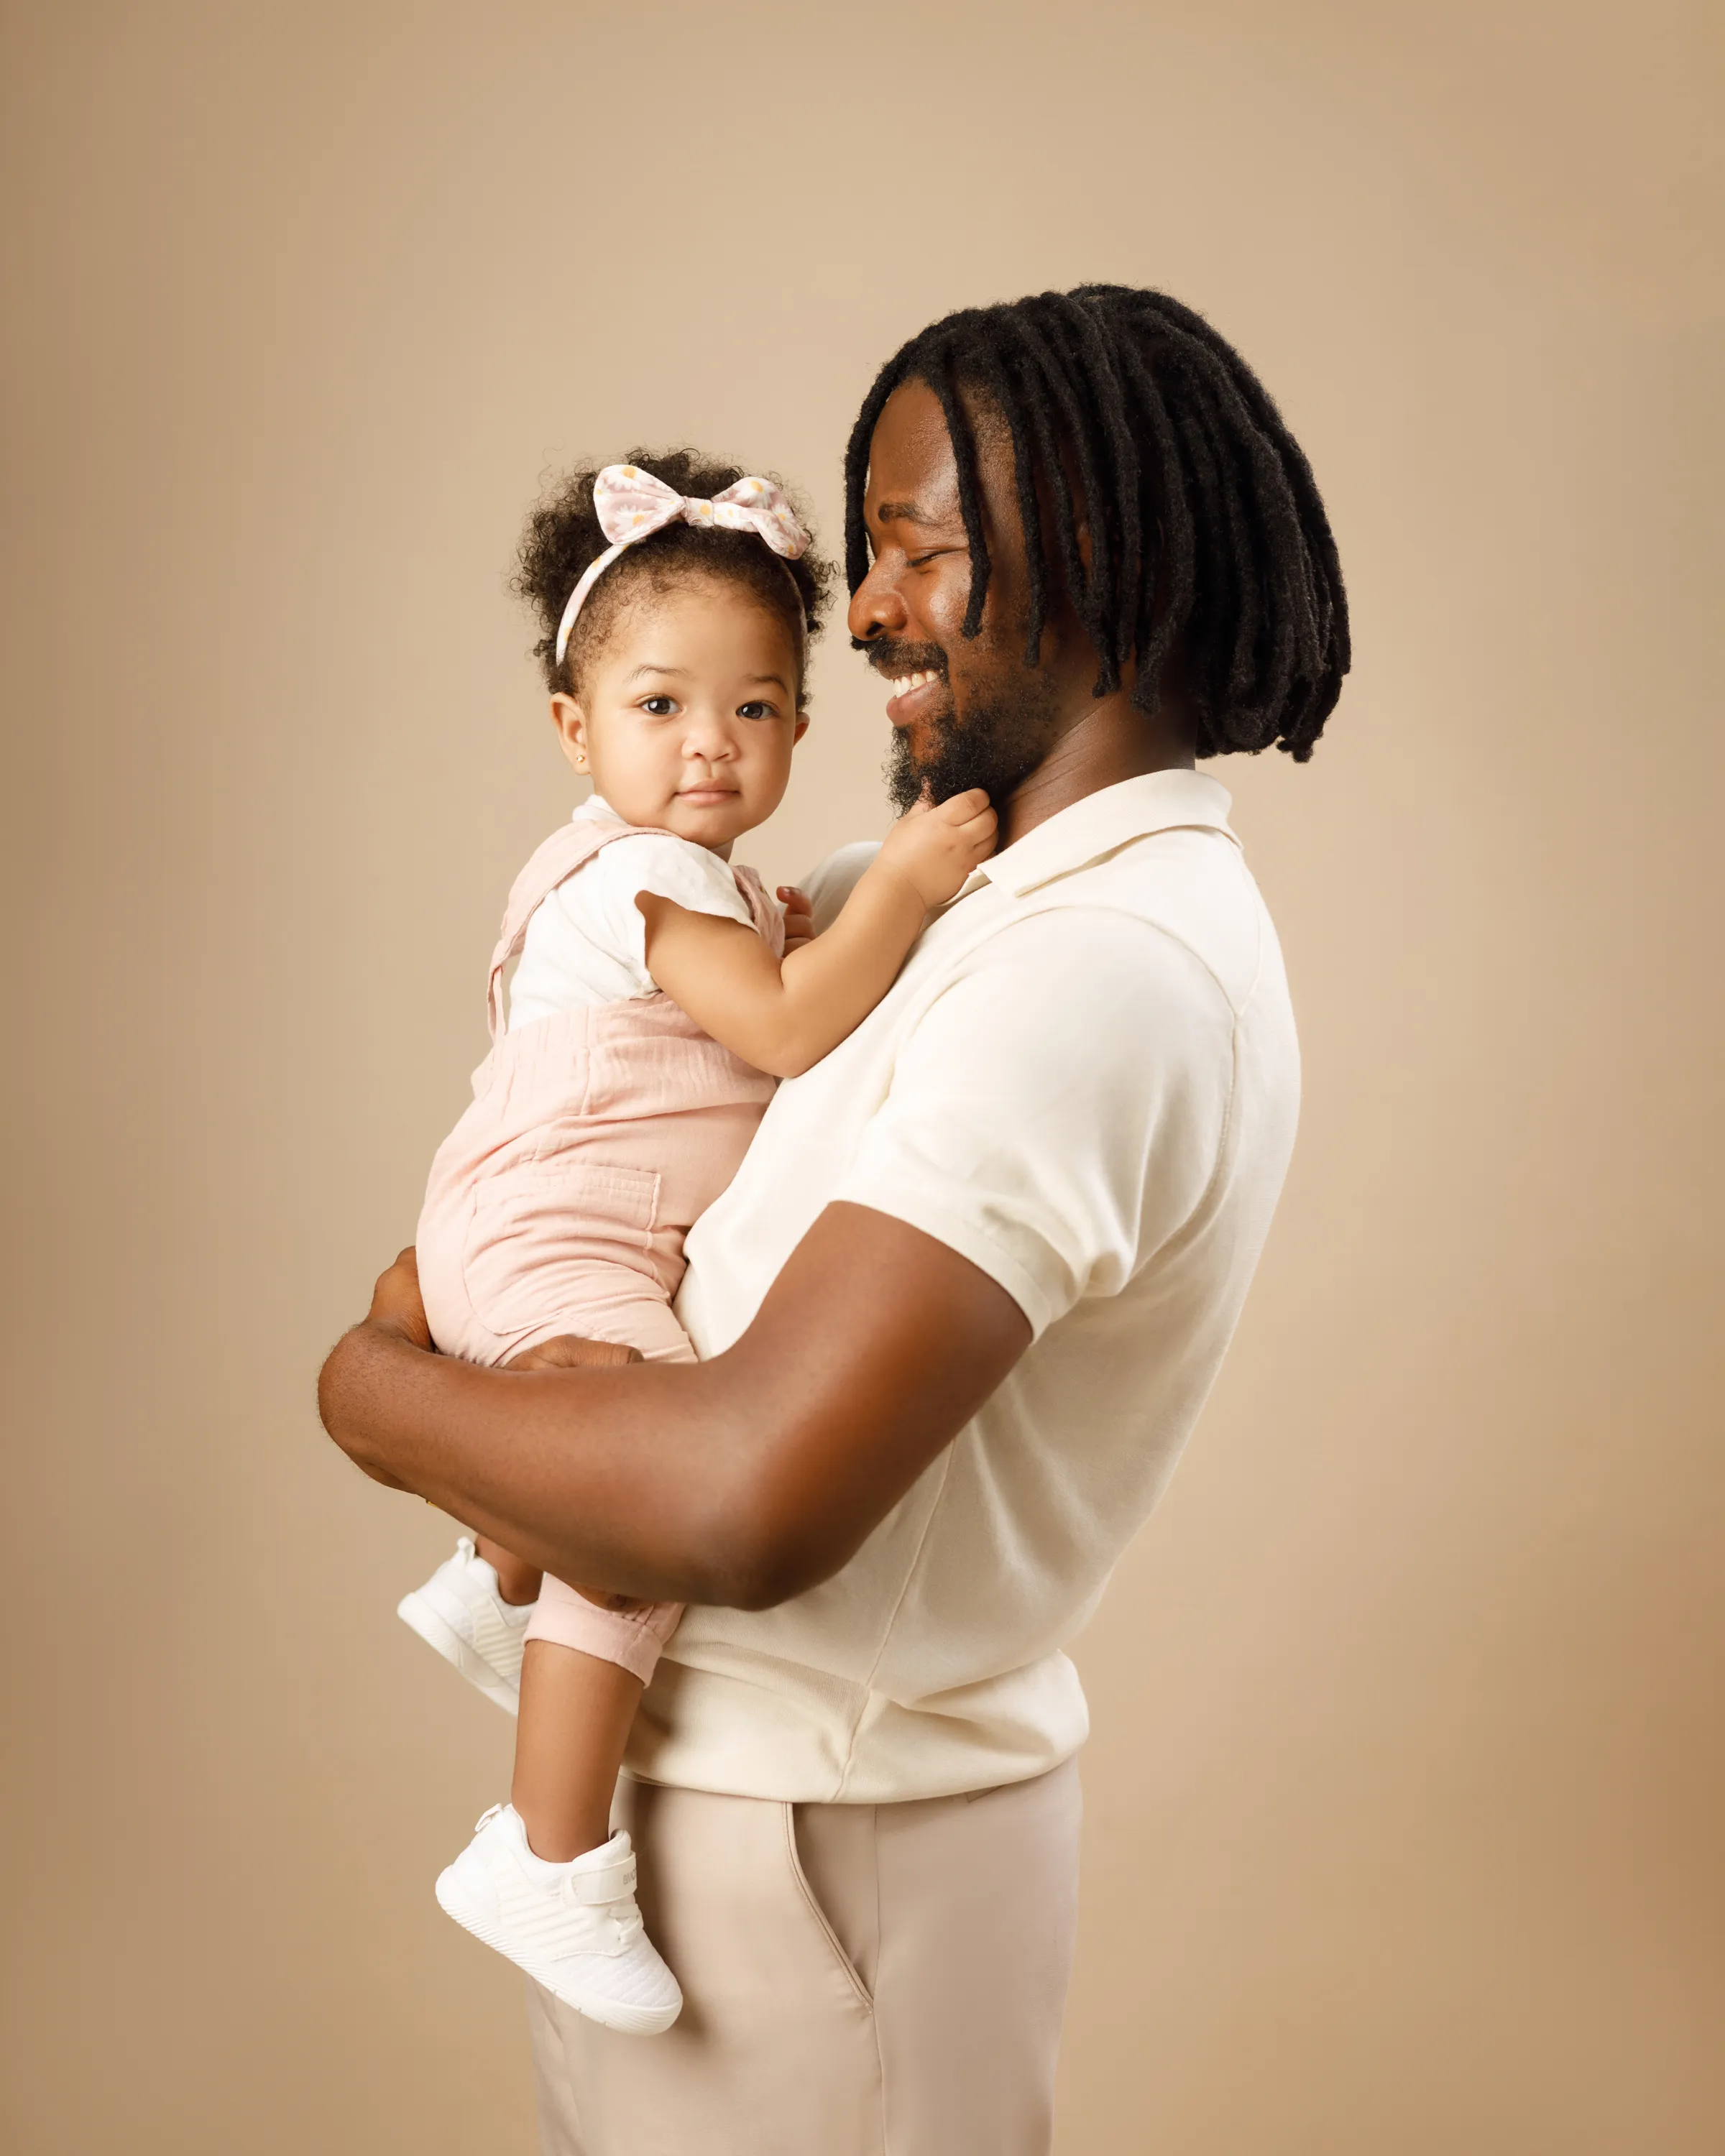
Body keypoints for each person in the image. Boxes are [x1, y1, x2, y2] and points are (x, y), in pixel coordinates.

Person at [320, 285, 1350, 2156]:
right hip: (713, 1828)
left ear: (1099, 556)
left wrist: (375, 1395)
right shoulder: (942, 900)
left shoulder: (1095, 973)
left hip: (823, 1866)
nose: (861, 610)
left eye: (916, 550)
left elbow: (740, 1500)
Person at [395, 451, 995, 2032]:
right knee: (647, 1492)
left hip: (524, 1222)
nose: (709, 743)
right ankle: (546, 1856)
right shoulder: (654, 878)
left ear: (796, 724)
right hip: (560, 1233)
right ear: (573, 729)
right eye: (659, 706)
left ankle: (494, 1570)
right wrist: (905, 885)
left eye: (753, 707)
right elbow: (785, 1028)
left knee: (602, 1455)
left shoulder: (675, 878)